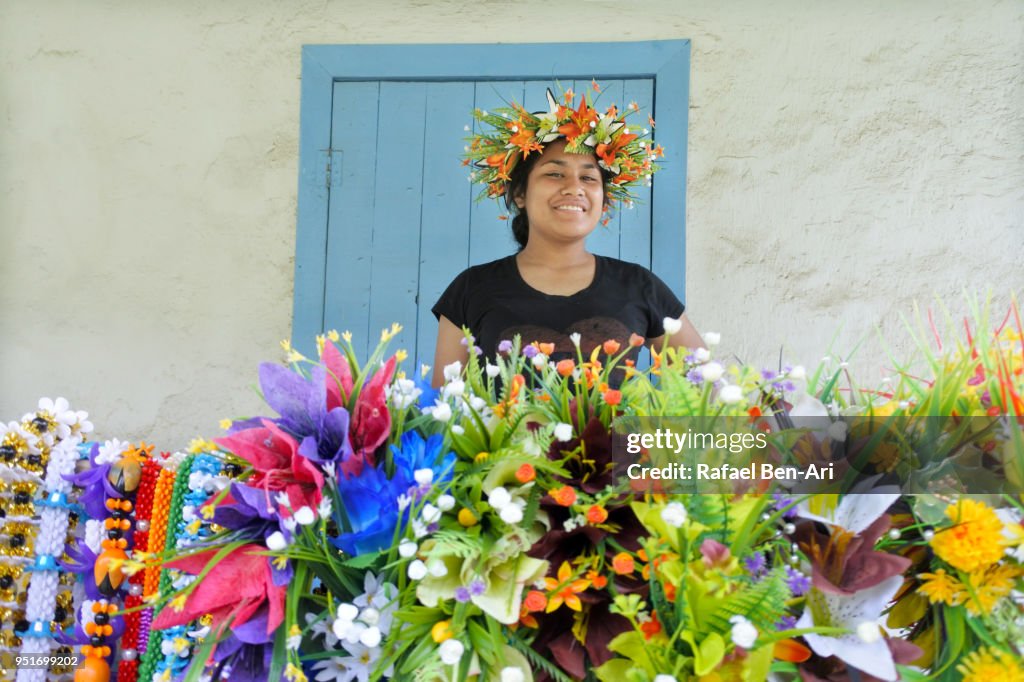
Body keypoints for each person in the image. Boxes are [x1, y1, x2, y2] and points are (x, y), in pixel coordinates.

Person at [431, 86, 704, 388]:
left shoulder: (640, 286)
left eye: (588, 177)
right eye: (555, 174)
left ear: (602, 199)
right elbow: (443, 410)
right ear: (520, 194)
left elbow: (712, 389)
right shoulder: (471, 288)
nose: (575, 187)